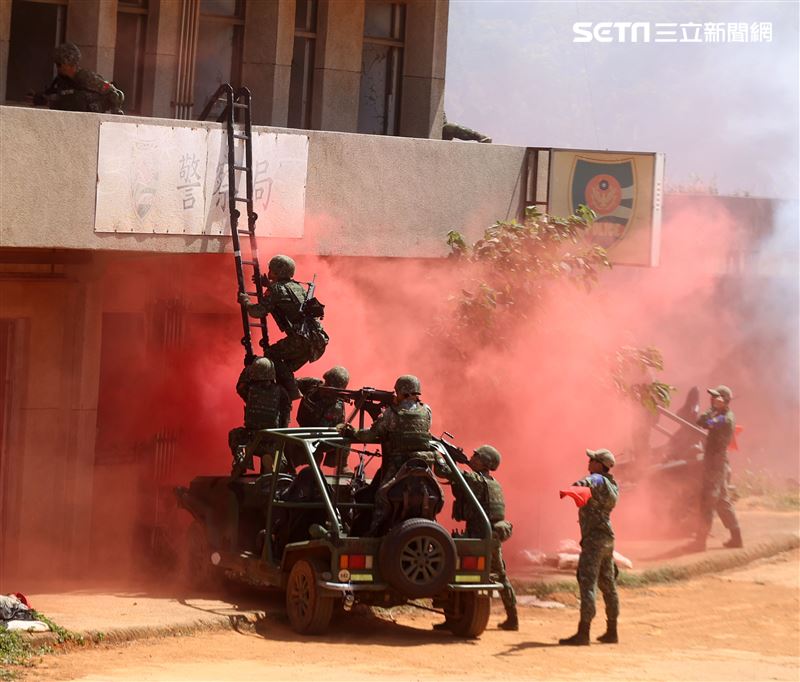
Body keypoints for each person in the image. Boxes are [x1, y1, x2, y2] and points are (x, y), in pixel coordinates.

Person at [433, 445, 518, 631]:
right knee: (499, 574)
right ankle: (512, 617)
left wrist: (438, 454)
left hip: (480, 536)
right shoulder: (493, 483)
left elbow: (443, 471)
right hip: (488, 534)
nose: (472, 457)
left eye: (476, 456)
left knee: (450, 569)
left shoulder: (475, 480)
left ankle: (511, 619)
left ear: (485, 462)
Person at [338, 375, 433, 533]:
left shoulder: (391, 414)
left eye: (397, 392)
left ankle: (375, 532)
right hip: (422, 465)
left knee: (381, 495)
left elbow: (370, 435)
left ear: (402, 392)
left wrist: (352, 432)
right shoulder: (427, 411)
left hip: (398, 465)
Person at [239, 255, 328, 401]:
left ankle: (293, 393)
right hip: (317, 341)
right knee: (283, 369)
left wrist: (246, 301)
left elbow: (257, 312)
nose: (269, 272)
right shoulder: (298, 287)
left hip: (301, 339)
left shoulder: (276, 289)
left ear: (278, 272)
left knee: (271, 355)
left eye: (271, 270)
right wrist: (269, 285)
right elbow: (286, 296)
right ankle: (291, 393)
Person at [559, 448, 620, 646]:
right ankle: (612, 631)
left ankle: (583, 633)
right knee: (608, 585)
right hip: (607, 539)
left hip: (594, 540)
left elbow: (586, 482)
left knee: (587, 584)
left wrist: (573, 488)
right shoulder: (613, 485)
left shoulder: (598, 479)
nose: (589, 461)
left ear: (600, 464)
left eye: (592, 459)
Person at [691, 385, 742, 551]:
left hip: (716, 464)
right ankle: (736, 537)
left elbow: (706, 423)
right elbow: (700, 420)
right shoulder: (718, 413)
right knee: (722, 500)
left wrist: (713, 411)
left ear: (724, 400)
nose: (712, 399)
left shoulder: (724, 419)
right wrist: (713, 408)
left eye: (716, 397)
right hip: (715, 462)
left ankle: (700, 541)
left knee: (708, 500)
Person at [228, 357, 291, 476]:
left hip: (252, 439)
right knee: (279, 462)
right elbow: (285, 417)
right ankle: (273, 465)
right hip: (272, 439)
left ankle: (241, 461)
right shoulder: (281, 392)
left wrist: (248, 367)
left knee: (235, 435)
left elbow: (240, 386)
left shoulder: (249, 390)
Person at [30, 42, 124, 113]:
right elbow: (59, 98)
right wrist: (42, 98)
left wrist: (115, 109)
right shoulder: (61, 81)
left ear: (69, 64)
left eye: (59, 64)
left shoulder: (86, 78)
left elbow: (113, 91)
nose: (58, 67)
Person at [296, 365, 352, 474]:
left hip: (325, 439)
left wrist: (341, 428)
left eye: (336, 391)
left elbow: (341, 423)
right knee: (289, 449)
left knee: (347, 433)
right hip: (305, 435)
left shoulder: (339, 401)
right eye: (328, 386)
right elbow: (292, 385)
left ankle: (343, 465)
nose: (330, 393)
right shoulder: (311, 385)